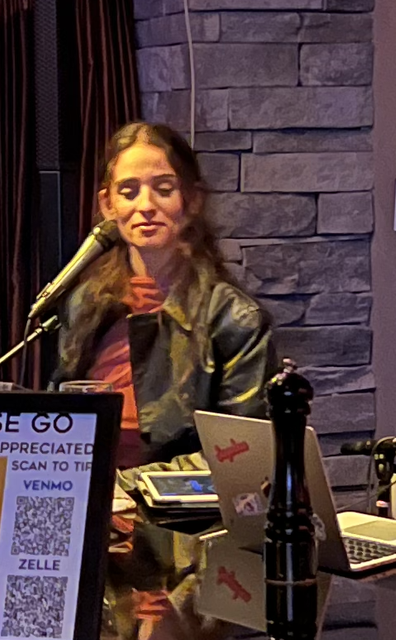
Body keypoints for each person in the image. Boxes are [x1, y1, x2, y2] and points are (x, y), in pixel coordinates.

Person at [55, 119, 276, 463]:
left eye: (163, 188)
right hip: (92, 503)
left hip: (176, 513)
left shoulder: (235, 320)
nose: (145, 205)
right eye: (128, 191)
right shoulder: (83, 305)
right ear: (108, 205)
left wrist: (124, 488)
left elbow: (239, 455)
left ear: (192, 200)